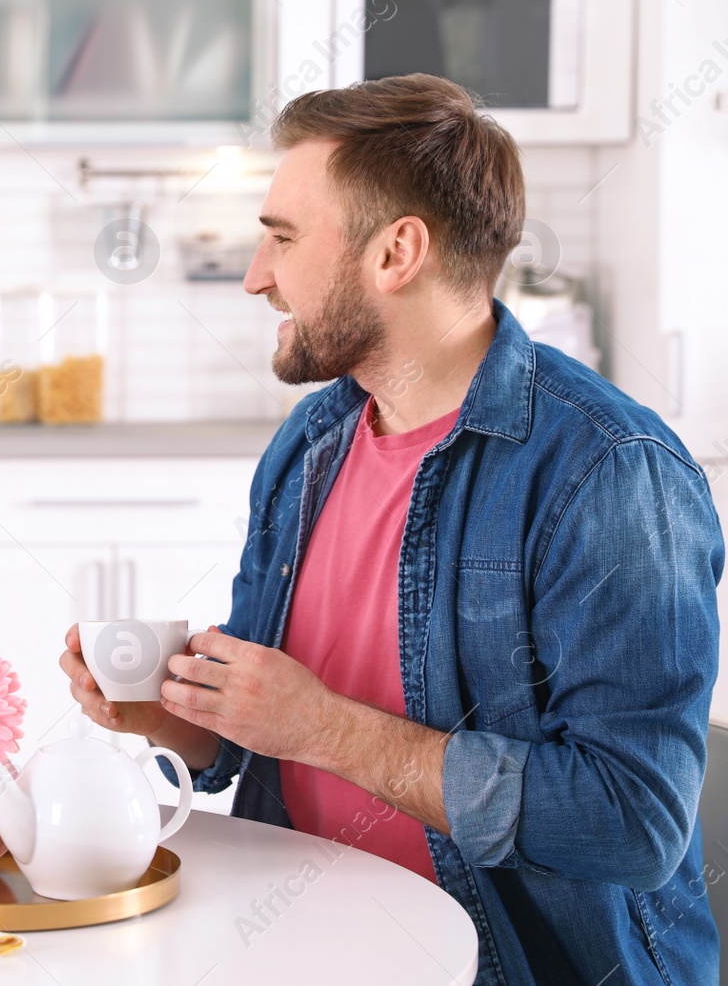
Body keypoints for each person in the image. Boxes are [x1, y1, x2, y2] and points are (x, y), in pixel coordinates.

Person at [60, 74, 723, 983]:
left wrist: (330, 728)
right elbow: (268, 737)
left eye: (283, 239)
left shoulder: (609, 471)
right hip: (303, 947)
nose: (258, 275)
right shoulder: (313, 443)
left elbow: (631, 820)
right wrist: (175, 718)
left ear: (397, 252)